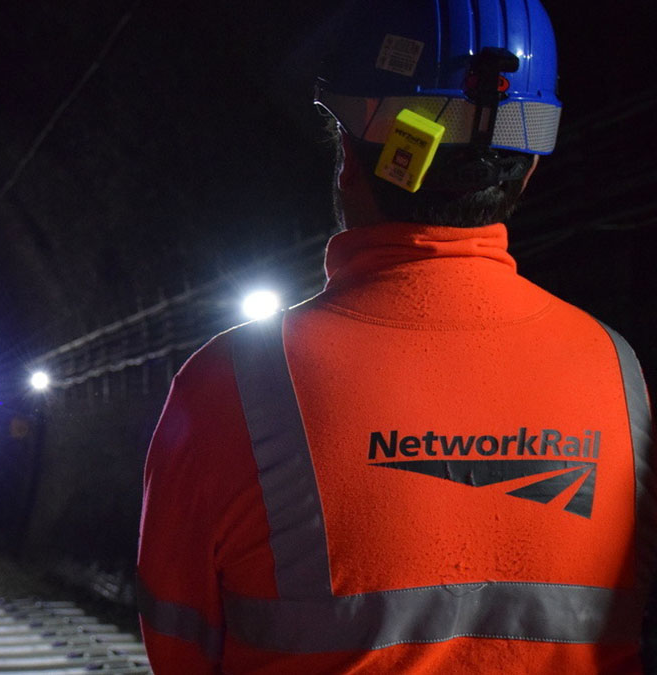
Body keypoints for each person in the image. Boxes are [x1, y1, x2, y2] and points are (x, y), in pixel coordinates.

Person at [137, 0, 655, 672]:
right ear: (528, 167)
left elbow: (179, 651)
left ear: (350, 156)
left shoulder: (227, 387)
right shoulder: (619, 373)